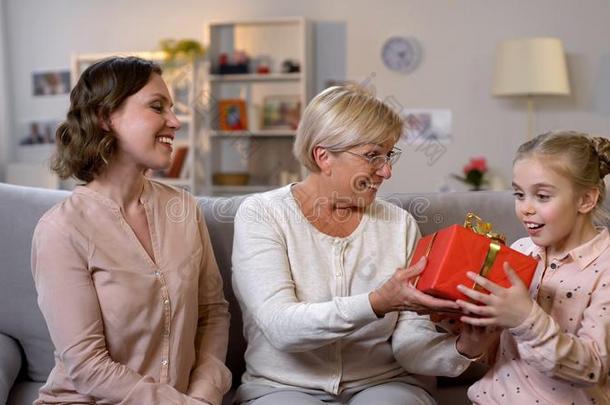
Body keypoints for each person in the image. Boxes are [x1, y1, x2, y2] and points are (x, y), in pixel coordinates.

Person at [231, 85, 484, 405]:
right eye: (372, 156)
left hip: (383, 383)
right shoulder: (262, 214)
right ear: (323, 156)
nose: (387, 171)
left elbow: (410, 344)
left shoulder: (399, 224)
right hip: (283, 386)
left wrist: (465, 348)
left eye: (389, 155)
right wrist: (377, 302)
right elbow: (282, 328)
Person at [31, 56, 231, 405]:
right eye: (158, 107)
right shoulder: (61, 230)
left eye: (172, 108)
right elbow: (87, 366)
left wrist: (205, 393)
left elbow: (212, 313)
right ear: (105, 117)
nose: (174, 121)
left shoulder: (183, 209)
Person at [456, 131, 610, 404]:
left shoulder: (605, 266)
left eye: (541, 196)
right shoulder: (519, 250)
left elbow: (591, 368)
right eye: (519, 194)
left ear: (586, 200)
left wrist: (526, 320)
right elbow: (503, 355)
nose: (525, 208)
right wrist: (476, 340)